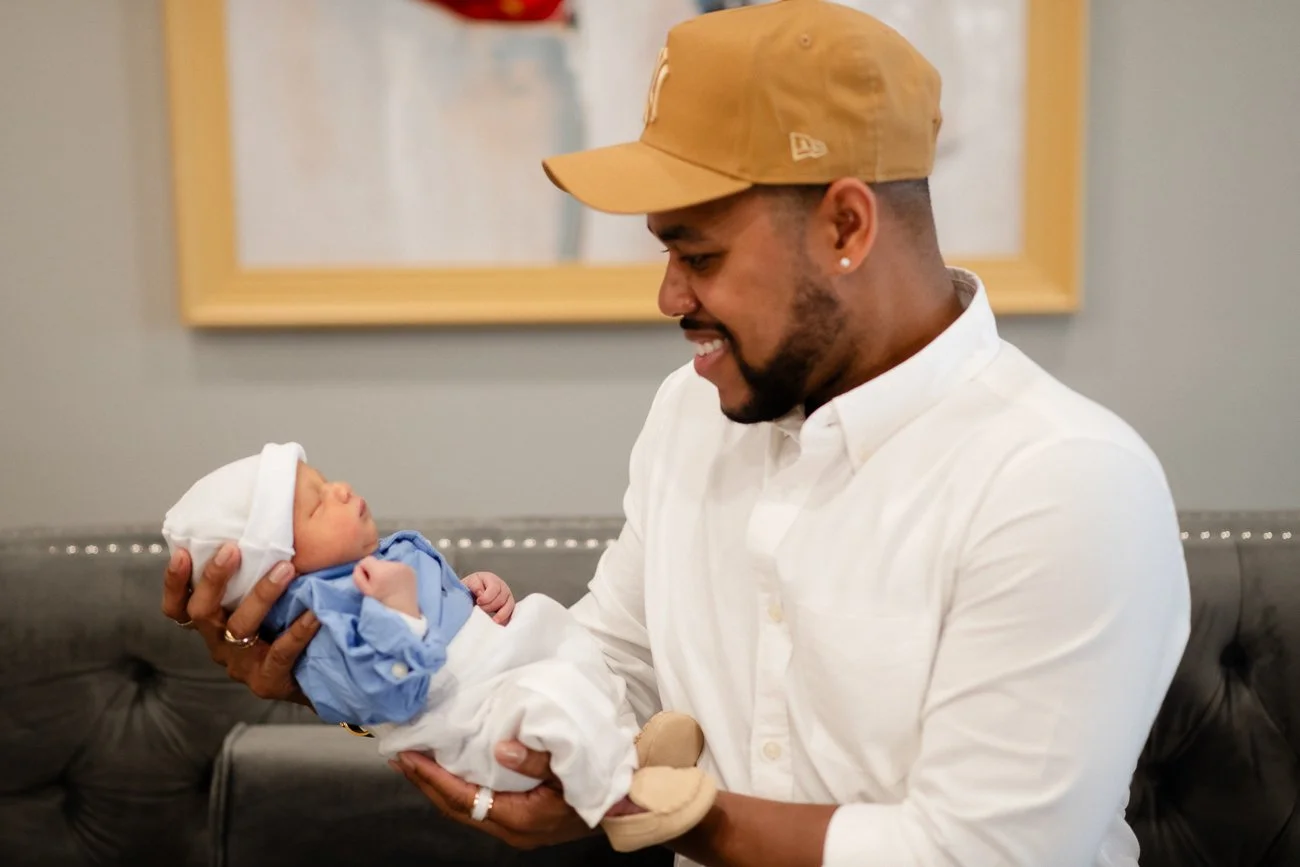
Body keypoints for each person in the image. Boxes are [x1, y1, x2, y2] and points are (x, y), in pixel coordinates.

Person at [162, 2, 1192, 865]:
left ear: (846, 226)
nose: (668, 297)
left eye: (697, 255)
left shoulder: (1064, 485)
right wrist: (360, 672)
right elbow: (610, 664)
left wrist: (634, 802)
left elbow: (982, 856)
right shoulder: (690, 414)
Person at [160, 442, 718, 853]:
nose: (341, 490)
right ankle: (622, 803)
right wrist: (401, 613)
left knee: (571, 652)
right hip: (467, 720)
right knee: (551, 699)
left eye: (326, 482)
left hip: (496, 671)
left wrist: (476, 593)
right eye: (315, 507)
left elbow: (449, 608)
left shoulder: (378, 563)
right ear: (278, 567)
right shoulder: (322, 625)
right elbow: (388, 696)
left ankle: (629, 748)